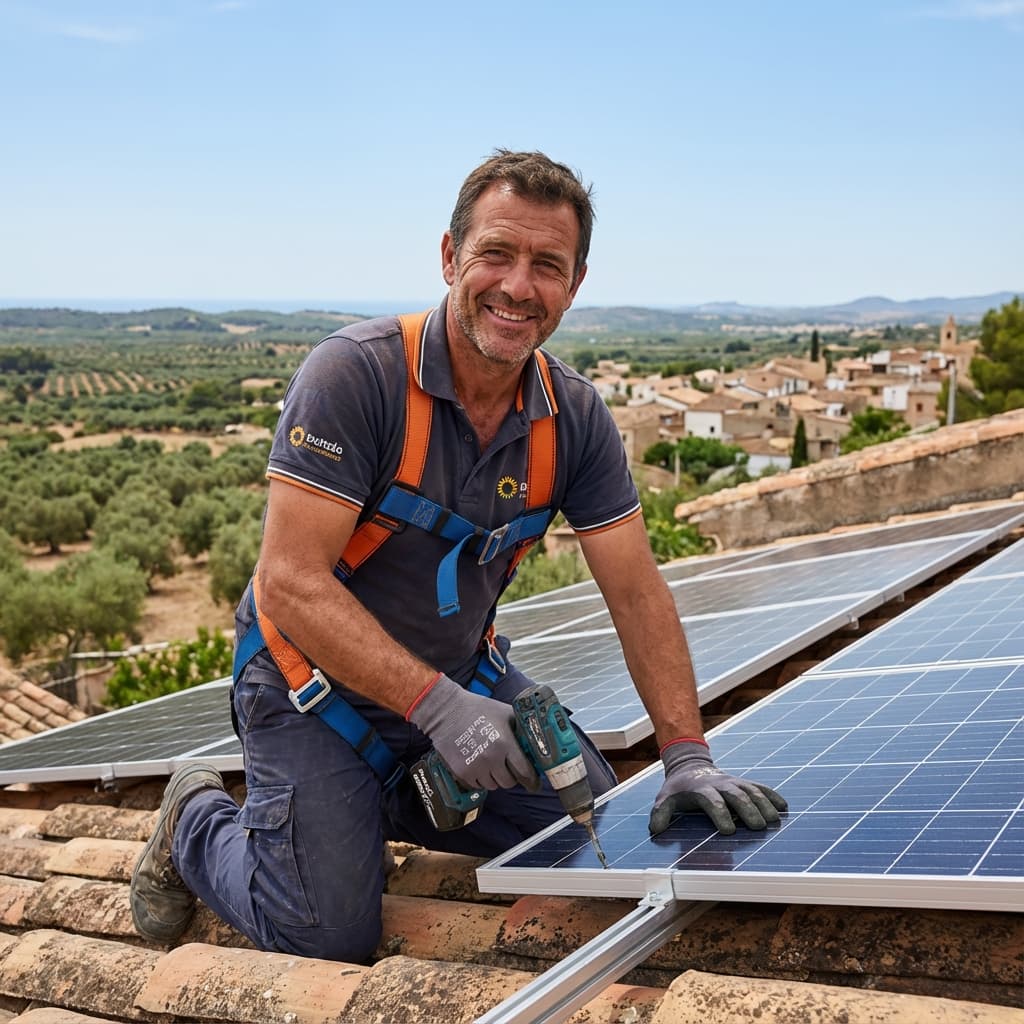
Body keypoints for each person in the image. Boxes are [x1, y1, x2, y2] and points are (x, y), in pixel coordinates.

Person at [130, 149, 787, 963]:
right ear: (450, 257)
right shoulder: (358, 377)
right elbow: (288, 583)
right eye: (496, 255)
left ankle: (381, 803)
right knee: (327, 934)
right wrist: (438, 712)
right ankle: (194, 821)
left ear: (575, 285)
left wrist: (686, 755)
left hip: (461, 684)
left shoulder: (572, 419)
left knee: (586, 837)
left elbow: (638, 593)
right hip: (314, 689)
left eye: (548, 265)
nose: (519, 286)